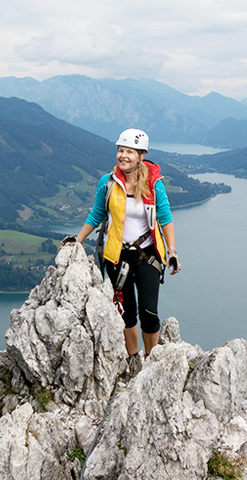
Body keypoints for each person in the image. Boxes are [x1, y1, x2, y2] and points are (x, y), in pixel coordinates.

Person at [66, 128, 180, 368]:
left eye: (129, 151)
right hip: (117, 257)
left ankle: (152, 362)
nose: (123, 155)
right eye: (120, 150)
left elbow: (165, 218)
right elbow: (97, 213)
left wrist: (171, 251)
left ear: (141, 155)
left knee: (149, 314)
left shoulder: (153, 183)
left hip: (147, 255)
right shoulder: (107, 183)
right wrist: (77, 240)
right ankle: (133, 361)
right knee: (127, 313)